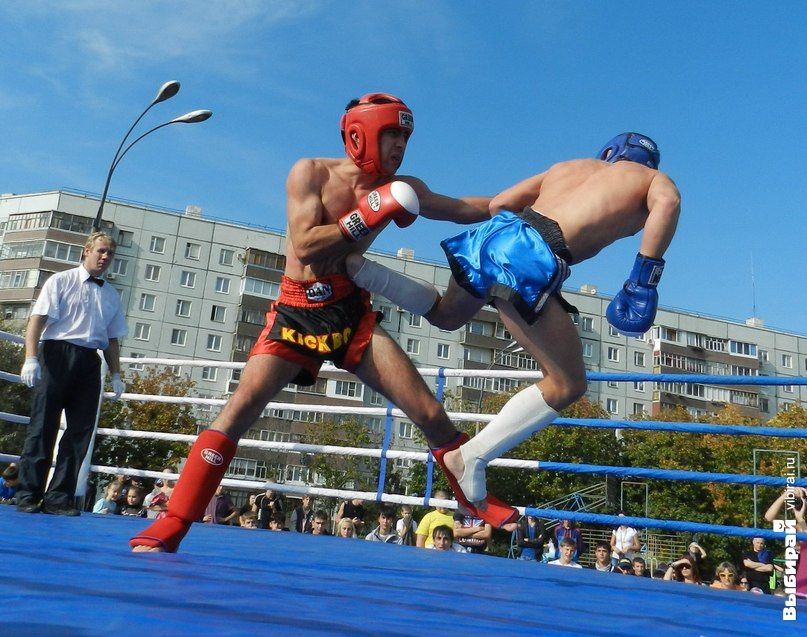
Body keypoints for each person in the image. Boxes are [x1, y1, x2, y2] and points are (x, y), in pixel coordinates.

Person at [130, 92, 509, 553]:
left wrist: (527, 202)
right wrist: (369, 212)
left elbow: (463, 207)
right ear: (360, 133)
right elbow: (307, 245)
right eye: (392, 133)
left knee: (429, 413)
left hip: (349, 313)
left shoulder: (402, 184)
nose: (400, 146)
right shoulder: (309, 171)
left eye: (406, 137)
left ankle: (476, 501)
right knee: (240, 409)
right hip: (296, 311)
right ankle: (173, 521)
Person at [348, 133, 680, 515]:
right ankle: (471, 456)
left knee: (446, 316)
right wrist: (643, 279)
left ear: (609, 153)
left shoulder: (568, 166)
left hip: (496, 233)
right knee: (568, 383)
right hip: (533, 253)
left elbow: (500, 203)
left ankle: (363, 271)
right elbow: (668, 202)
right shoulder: (653, 180)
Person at [17, 232, 127, 516]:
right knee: (43, 426)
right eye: (101, 251)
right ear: (86, 251)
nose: (105, 257)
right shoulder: (60, 281)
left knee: (80, 433)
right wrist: (30, 358)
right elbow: (36, 321)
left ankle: (58, 498)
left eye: (110, 254)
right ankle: (28, 494)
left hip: (90, 361)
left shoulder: (112, 295)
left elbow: (112, 339)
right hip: (56, 354)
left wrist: (116, 374)